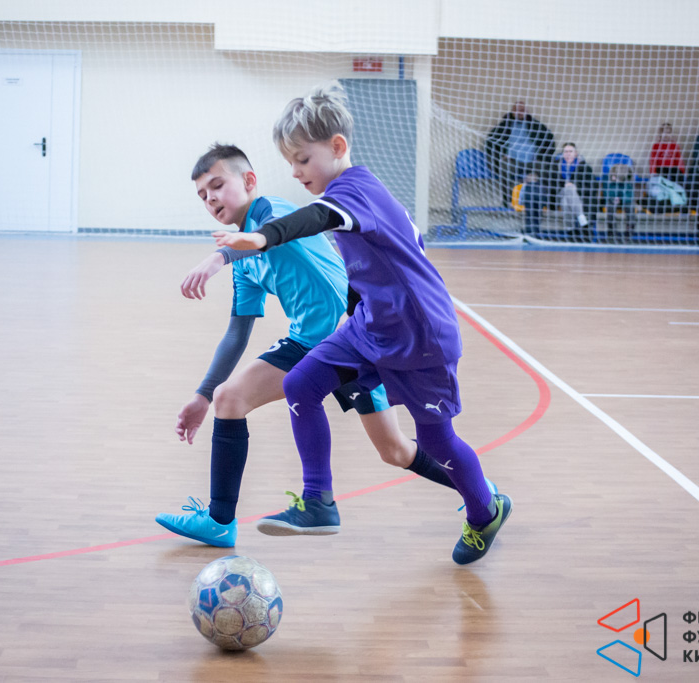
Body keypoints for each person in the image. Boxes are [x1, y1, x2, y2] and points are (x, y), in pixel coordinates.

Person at [214, 83, 511, 566]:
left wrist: (264, 237)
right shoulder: (360, 197)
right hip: (371, 327)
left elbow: (315, 218)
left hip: (421, 336)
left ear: (337, 146)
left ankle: (486, 511)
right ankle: (318, 502)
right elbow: (387, 255)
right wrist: (359, 307)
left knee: (436, 441)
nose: (295, 171)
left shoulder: (352, 192)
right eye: (290, 162)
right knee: (301, 384)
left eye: (302, 159)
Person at [157, 143, 492, 548]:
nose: (210, 198)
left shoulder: (271, 211)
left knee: (396, 451)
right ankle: (221, 520)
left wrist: (219, 257)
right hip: (317, 343)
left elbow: (283, 228)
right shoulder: (244, 262)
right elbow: (236, 333)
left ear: (248, 181)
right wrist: (202, 395)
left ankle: (481, 494)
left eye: (216, 185)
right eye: (202, 195)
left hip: (350, 335)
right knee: (229, 398)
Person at [484, 100, 556, 208]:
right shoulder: (504, 125)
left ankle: (548, 203)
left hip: (532, 161)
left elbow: (549, 140)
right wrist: (501, 156)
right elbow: (490, 141)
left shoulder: (535, 125)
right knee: (504, 167)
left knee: (546, 168)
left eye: (522, 110)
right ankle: (508, 201)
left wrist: (540, 157)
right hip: (512, 161)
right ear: (512, 111)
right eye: (517, 110)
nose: (520, 112)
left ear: (526, 111)